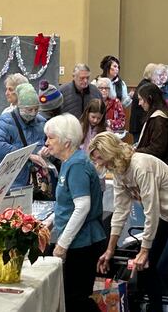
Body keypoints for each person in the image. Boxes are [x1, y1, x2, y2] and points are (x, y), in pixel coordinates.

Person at [92, 132, 168, 312]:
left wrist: (144, 250)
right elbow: (120, 210)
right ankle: (155, 309)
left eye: (99, 158)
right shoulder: (118, 170)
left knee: (165, 267)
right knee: (147, 265)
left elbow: (151, 211)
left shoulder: (141, 166)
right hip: (167, 214)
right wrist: (110, 249)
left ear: (110, 153)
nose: (98, 163)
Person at [45, 114, 105, 312]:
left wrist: (62, 244)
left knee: (75, 299)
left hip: (83, 242)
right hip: (77, 240)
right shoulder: (69, 162)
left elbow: (82, 207)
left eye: (51, 137)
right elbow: (66, 203)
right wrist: (49, 223)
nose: (47, 142)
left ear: (66, 141)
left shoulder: (77, 165)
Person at [0, 83, 47, 190]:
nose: (33, 113)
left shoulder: (41, 122)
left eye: (36, 109)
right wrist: (27, 155)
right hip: (5, 179)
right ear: (20, 107)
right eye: (29, 110)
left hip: (29, 180)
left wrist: (45, 151)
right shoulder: (5, 121)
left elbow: (43, 143)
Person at [135, 83, 168, 170]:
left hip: (158, 168)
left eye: (141, 99)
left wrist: (135, 151)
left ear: (150, 98)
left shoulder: (159, 119)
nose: (139, 103)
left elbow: (157, 149)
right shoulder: (159, 117)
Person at [129, 63, 156, 142]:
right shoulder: (146, 86)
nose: (159, 77)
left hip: (139, 123)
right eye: (157, 74)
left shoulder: (144, 83)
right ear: (151, 74)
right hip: (140, 124)